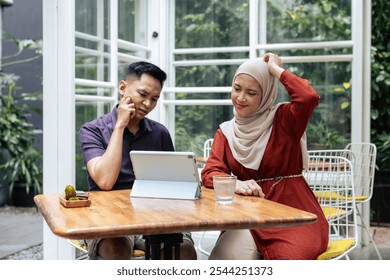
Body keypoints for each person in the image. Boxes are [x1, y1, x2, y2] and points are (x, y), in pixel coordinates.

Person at [201, 53, 329, 260]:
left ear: (267, 94)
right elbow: (210, 172)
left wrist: (276, 70)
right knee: (223, 260)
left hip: (292, 213)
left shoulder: (285, 119)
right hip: (249, 215)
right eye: (237, 89)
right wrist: (234, 184)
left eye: (251, 93)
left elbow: (308, 97)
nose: (241, 98)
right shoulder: (225, 132)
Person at [79, 61, 197, 260]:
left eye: (154, 99)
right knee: (115, 249)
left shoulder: (160, 133)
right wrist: (120, 126)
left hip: (156, 215)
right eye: (143, 95)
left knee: (183, 251)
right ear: (123, 88)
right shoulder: (92, 130)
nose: (148, 104)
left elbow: (175, 184)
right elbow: (105, 181)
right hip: (110, 216)